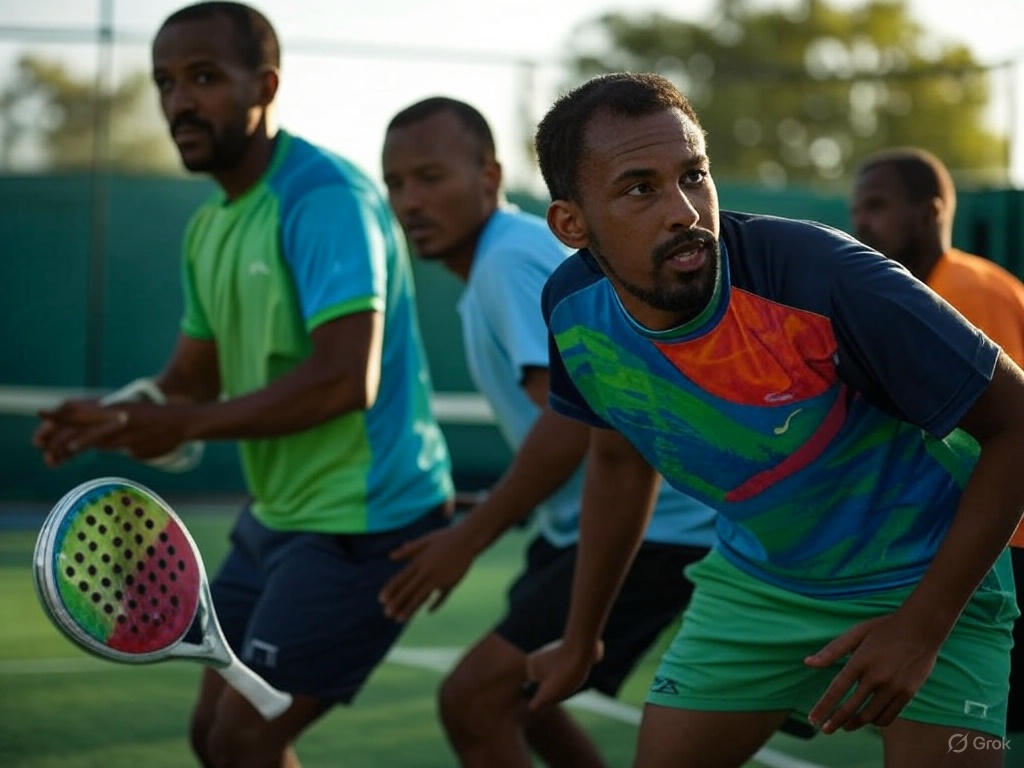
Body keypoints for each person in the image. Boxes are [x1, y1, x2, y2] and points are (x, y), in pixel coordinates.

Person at [523, 72, 1024, 767]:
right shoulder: (573, 309)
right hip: (759, 585)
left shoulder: (828, 279)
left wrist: (921, 628)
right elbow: (617, 457)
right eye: (640, 188)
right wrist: (582, 638)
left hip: (929, 581)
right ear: (571, 225)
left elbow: (1017, 423)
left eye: (693, 176)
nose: (684, 211)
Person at [32, 4, 453, 768]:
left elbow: (341, 382)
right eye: (164, 82)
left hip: (368, 521)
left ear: (264, 86)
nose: (178, 102)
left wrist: (183, 427)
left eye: (203, 78)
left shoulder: (325, 200)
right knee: (214, 737)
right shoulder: (211, 227)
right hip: (280, 514)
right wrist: (117, 418)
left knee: (246, 737)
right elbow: (189, 378)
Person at [377, 95, 717, 768]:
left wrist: (467, 540)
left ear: (490, 178)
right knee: (528, 701)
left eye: (431, 178)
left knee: (475, 701)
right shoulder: (508, 257)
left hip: (653, 529)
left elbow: (573, 425)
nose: (410, 201)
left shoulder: (506, 262)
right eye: (396, 184)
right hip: (598, 528)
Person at [852, 147, 1024, 737]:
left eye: (877, 206)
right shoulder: (907, 292)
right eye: (856, 208)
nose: (861, 223)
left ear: (929, 214)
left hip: (1010, 537)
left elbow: (1004, 429)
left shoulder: (970, 292)